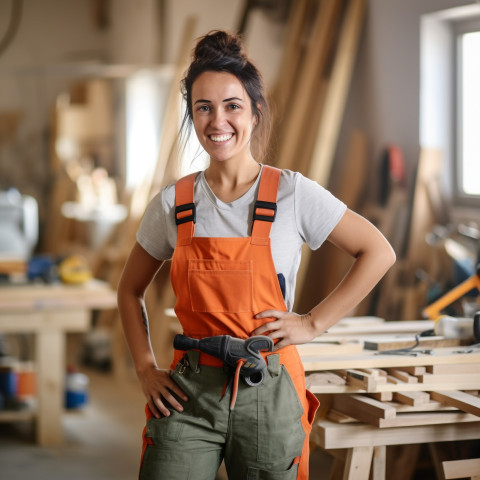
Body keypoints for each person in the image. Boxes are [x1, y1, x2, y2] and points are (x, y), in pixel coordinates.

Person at [117, 30, 396, 480]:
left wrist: (312, 323)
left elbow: (378, 251)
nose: (217, 121)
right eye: (203, 107)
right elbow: (129, 291)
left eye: (232, 106)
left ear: (255, 111)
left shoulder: (292, 193)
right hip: (189, 392)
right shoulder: (173, 203)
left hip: (269, 386)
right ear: (191, 115)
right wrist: (146, 369)